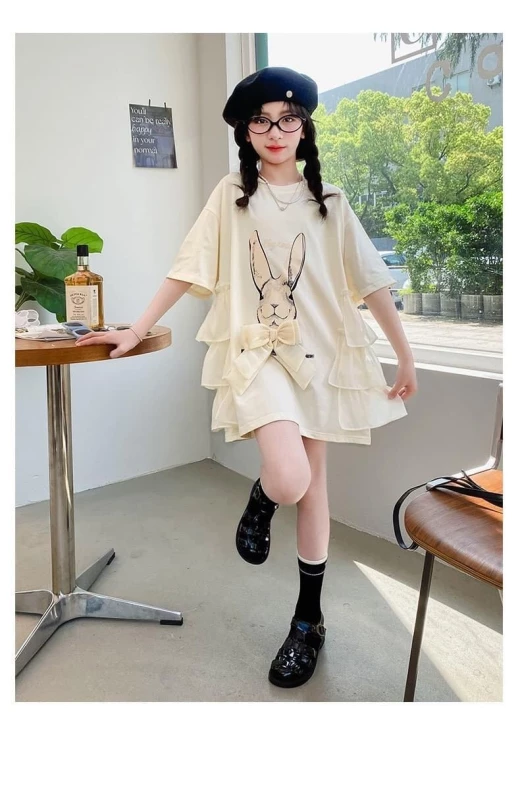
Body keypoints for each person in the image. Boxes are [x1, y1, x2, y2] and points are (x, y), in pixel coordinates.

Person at [76, 66, 418, 690]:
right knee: (288, 478)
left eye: (288, 120)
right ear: (247, 131)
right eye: (261, 121)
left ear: (304, 127)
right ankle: (263, 498)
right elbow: (188, 267)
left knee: (314, 488)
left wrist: (405, 354)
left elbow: (371, 281)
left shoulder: (331, 200)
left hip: (319, 356)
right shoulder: (233, 194)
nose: (275, 132)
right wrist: (136, 326)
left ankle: (308, 622)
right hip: (256, 353)